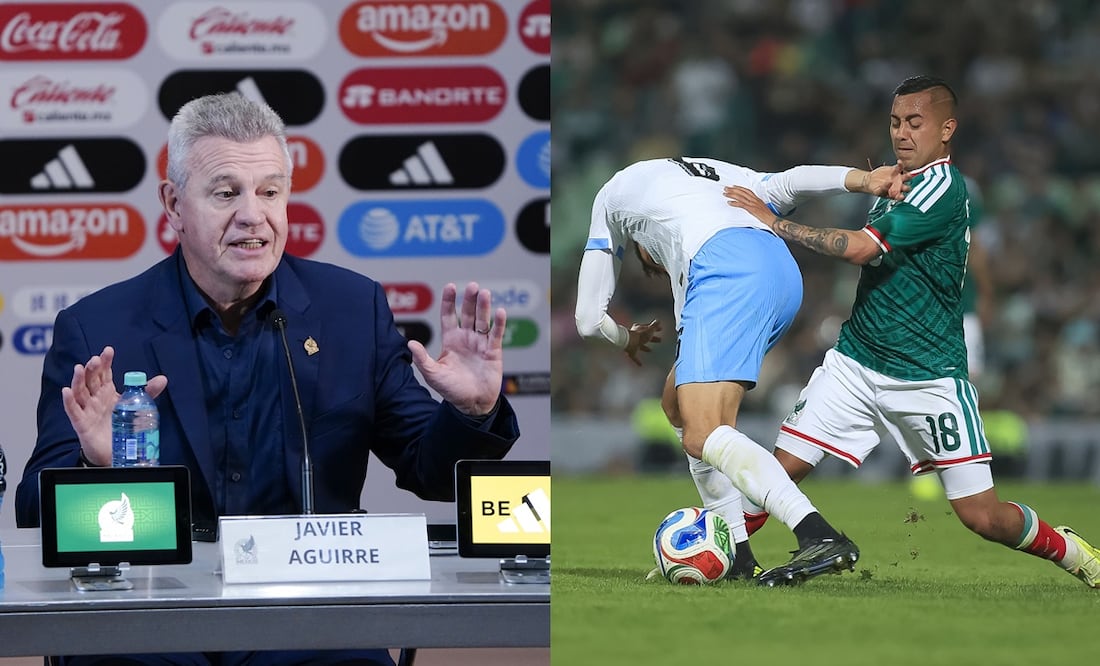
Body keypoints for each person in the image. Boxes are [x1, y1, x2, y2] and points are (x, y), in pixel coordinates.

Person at [15, 92, 520, 664]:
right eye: (226, 193)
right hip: (148, 621)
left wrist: (472, 411)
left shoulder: (351, 309)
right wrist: (95, 470)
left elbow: (431, 472)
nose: (253, 215)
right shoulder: (97, 328)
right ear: (174, 205)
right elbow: (33, 512)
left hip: (310, 625)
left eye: (270, 192)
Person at [724, 75, 1100, 588]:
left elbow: (861, 249)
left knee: (983, 517)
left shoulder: (944, 188)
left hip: (928, 375)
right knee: (778, 469)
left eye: (915, 123)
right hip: (856, 362)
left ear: (947, 129)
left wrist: (773, 222)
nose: (902, 132)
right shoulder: (895, 179)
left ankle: (1075, 554)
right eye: (896, 122)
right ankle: (719, 558)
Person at [575, 154, 907, 584]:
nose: (656, 264)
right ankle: (738, 555)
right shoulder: (717, 174)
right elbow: (794, 181)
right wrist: (866, 180)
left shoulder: (612, 197)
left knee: (703, 432)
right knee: (677, 403)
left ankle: (817, 533)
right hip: (781, 273)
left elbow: (588, 320)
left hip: (726, 269)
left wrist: (626, 338)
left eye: (650, 263)